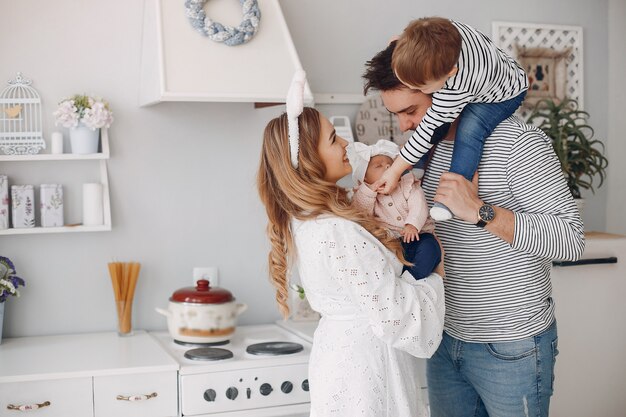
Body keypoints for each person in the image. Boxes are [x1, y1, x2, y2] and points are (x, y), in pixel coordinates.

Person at [362, 42, 585, 417]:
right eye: (396, 115)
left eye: (411, 111)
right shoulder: (427, 151)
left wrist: (480, 211)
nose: (404, 126)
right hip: (446, 340)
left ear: (446, 91)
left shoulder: (520, 144)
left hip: (512, 347)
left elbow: (570, 241)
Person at [257, 71, 445, 417]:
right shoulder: (337, 232)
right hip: (366, 369)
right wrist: (436, 274)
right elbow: (398, 322)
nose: (346, 144)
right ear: (311, 161)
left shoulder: (312, 220)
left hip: (345, 360)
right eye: (333, 139)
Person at [377, 17, 528, 222]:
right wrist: (397, 48)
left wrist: (395, 170)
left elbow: (429, 128)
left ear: (449, 74)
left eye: (422, 88)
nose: (403, 126)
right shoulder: (438, 37)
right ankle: (419, 162)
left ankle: (453, 191)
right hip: (492, 68)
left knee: (470, 131)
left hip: (504, 93)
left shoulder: (456, 90)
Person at [350, 139, 441, 280]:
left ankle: (412, 279)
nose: (387, 167)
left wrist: (412, 224)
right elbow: (361, 214)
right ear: (364, 178)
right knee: (383, 259)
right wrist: (369, 191)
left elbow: (419, 205)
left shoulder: (407, 184)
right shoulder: (365, 196)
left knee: (431, 249)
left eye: (390, 165)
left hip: (419, 235)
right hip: (391, 243)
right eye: (378, 166)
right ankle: (397, 279)